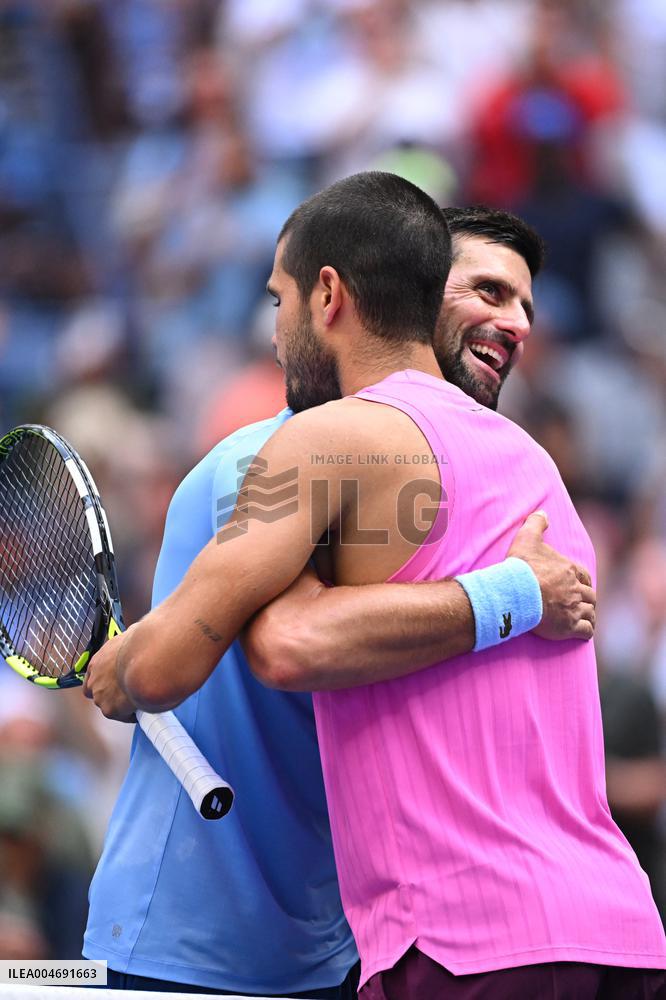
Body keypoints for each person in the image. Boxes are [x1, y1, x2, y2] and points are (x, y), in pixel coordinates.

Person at [82, 176, 622, 996]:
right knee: (29, 979)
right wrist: (515, 596)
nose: (515, 322)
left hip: (372, 947)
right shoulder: (286, 455)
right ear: (405, 296)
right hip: (190, 948)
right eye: (485, 290)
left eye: (524, 304)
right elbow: (282, 645)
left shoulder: (505, 469)